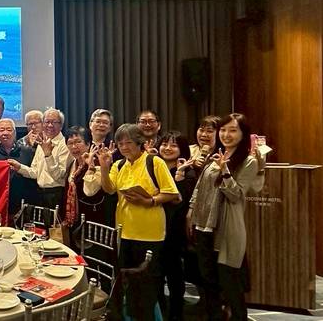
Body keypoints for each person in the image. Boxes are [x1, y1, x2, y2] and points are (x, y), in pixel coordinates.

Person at [97, 123, 180, 321]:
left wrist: (149, 201)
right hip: (124, 231)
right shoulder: (119, 165)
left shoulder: (154, 162)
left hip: (150, 233)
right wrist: (104, 167)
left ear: (139, 142)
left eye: (129, 143)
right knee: (128, 281)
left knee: (148, 283)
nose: (124, 147)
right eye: (120, 144)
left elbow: (171, 193)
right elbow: (109, 189)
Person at [187, 113, 265, 321]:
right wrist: (191, 210)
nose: (226, 134)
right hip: (203, 225)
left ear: (243, 134)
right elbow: (200, 186)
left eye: (233, 130)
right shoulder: (216, 155)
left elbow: (236, 195)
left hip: (226, 228)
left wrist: (225, 171)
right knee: (208, 281)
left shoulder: (248, 161)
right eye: (223, 130)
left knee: (230, 283)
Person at [156, 131, 199, 321]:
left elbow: (179, 202)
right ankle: (159, 312)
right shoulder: (154, 168)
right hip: (154, 226)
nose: (167, 148)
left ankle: (176, 313)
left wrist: (179, 176)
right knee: (156, 274)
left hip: (175, 229)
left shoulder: (188, 172)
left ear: (182, 149)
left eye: (173, 145)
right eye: (165, 144)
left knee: (174, 273)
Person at [9, 108, 70, 210]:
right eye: (47, 122)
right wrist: (19, 167)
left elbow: (59, 175)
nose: (50, 125)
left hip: (56, 195)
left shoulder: (65, 145)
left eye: (54, 122)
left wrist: (48, 155)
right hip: (40, 194)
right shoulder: (43, 143)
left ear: (61, 125)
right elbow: (35, 173)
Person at [0, 118, 36, 216]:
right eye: (2, 130)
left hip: (23, 202)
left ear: (15, 133)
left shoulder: (28, 151)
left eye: (9, 130)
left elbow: (34, 174)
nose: (5, 133)